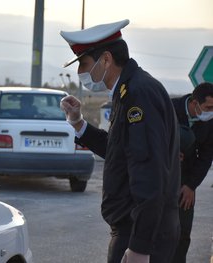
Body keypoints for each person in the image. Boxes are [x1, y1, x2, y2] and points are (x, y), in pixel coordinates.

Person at [59, 19, 180, 263]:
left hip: (141, 235)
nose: (80, 72)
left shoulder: (138, 95)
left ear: (106, 59)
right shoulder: (128, 91)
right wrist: (78, 123)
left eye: (84, 63)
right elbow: (120, 150)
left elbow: (149, 173)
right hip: (134, 230)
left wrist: (140, 247)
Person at [171, 82, 213, 263]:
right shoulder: (168, 108)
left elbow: (206, 156)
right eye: (209, 107)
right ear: (194, 103)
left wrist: (191, 185)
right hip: (159, 179)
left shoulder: (209, 122)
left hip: (186, 182)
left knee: (182, 234)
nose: (212, 111)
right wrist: (169, 152)